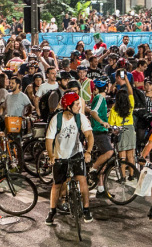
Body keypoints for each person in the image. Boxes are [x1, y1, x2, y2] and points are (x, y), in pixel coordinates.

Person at [44, 91, 94, 225]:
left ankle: (86, 209)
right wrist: (51, 156)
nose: (79, 106)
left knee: (82, 180)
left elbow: (89, 135)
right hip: (60, 155)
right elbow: (49, 140)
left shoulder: (80, 117)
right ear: (68, 106)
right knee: (57, 185)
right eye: (77, 104)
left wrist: (88, 151)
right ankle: (52, 211)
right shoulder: (57, 119)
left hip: (76, 153)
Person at [85, 77, 112, 197]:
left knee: (104, 162)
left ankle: (101, 189)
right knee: (109, 152)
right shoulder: (100, 98)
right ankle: (93, 169)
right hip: (99, 131)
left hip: (102, 130)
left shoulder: (101, 98)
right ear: (106, 87)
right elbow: (93, 112)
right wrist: (102, 122)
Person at [107, 71, 136, 174]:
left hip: (120, 130)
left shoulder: (114, 109)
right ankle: (132, 174)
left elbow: (111, 123)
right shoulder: (130, 105)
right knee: (130, 155)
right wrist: (127, 80)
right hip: (130, 130)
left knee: (122, 156)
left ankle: (123, 175)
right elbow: (131, 92)